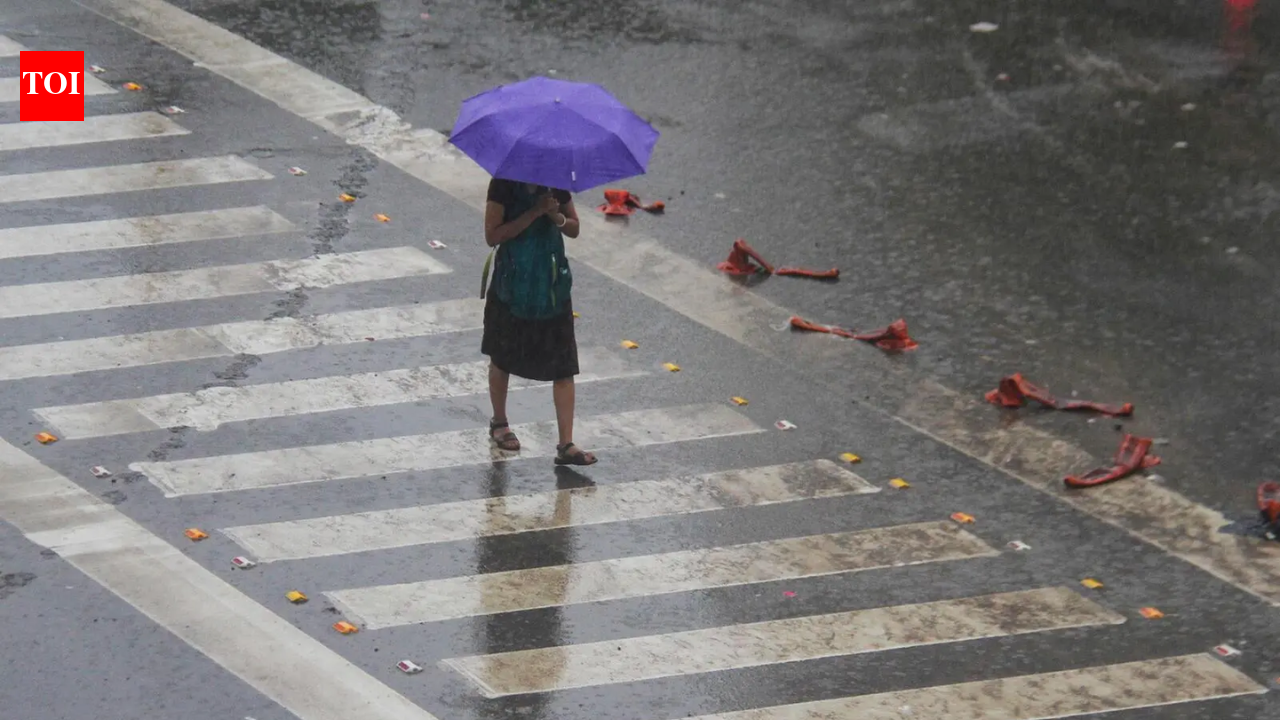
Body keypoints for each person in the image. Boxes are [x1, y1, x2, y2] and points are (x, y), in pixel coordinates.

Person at [481, 177, 597, 465]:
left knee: (564, 365)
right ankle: (500, 422)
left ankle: (566, 444)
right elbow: (493, 235)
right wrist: (533, 212)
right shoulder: (503, 184)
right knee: (502, 356)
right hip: (512, 287)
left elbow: (574, 228)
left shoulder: (555, 183)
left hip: (551, 287)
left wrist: (554, 215)